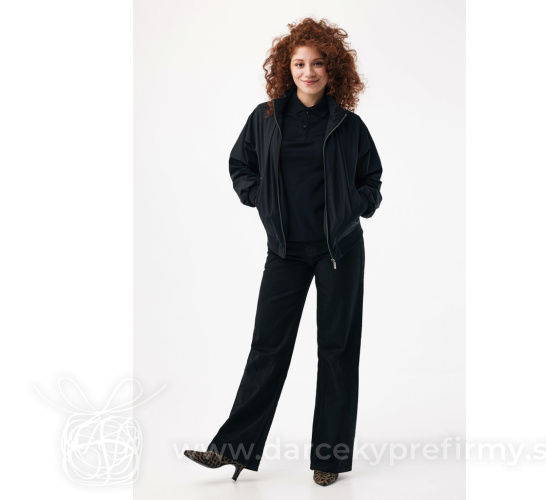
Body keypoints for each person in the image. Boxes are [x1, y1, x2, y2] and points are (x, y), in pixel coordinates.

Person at [184, 17, 383, 487]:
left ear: (333, 69)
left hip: (339, 251)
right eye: (299, 63)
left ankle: (329, 458)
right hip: (285, 251)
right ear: (286, 68)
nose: (308, 72)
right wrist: (259, 196)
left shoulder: (350, 126)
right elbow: (241, 164)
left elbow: (371, 181)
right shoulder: (266, 118)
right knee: (267, 348)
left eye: (318, 63)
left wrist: (355, 204)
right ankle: (233, 449)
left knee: (337, 351)